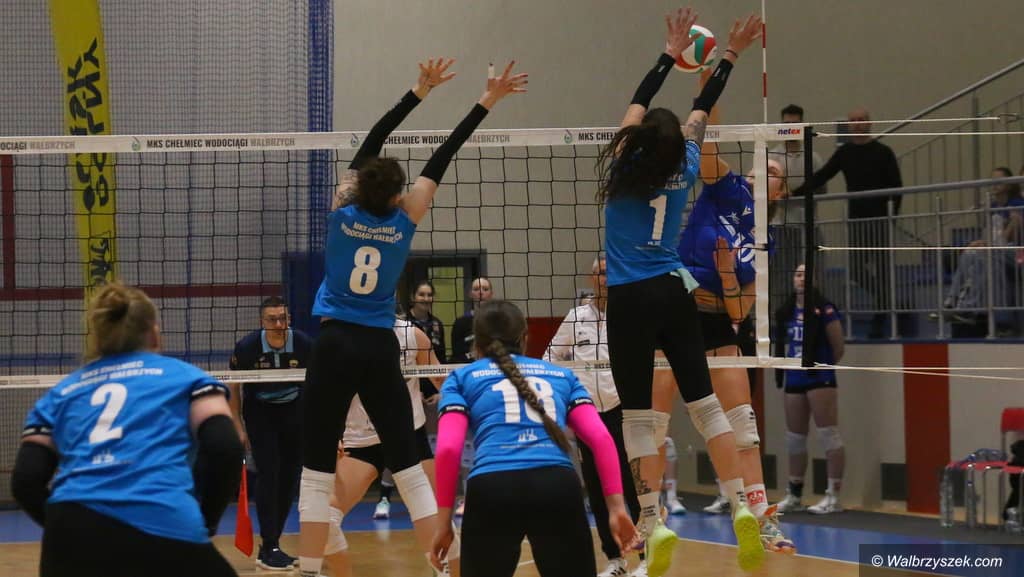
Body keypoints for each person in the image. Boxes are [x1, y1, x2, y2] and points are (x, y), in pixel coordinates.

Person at [298, 58, 527, 577]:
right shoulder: (407, 218)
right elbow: (445, 154)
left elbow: (374, 140)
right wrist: (487, 100)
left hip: (334, 343)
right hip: (379, 345)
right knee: (408, 466)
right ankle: (454, 567)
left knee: (315, 470)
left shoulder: (340, 212)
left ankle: (309, 569)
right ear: (398, 195)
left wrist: (417, 91)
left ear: (358, 186)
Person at [597, 8, 765, 574]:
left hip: (630, 299)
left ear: (640, 140)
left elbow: (639, 101)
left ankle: (652, 518)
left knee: (638, 415)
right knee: (706, 404)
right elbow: (701, 109)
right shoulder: (688, 163)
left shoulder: (622, 164)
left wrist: (669, 53)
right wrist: (731, 52)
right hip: (674, 291)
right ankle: (741, 505)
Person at [12, 282, 242, 577]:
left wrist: (72, 528)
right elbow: (225, 447)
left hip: (70, 532)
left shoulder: (61, 394)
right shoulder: (188, 379)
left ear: (99, 337)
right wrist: (207, 519)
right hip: (161, 519)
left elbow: (26, 480)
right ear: (154, 334)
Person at [673, 72, 795, 554]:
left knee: (742, 424)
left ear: (781, 193)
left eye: (773, 171)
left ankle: (760, 519)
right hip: (674, 309)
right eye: (758, 164)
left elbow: (742, 308)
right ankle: (646, 518)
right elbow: (705, 146)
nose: (761, 171)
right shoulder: (728, 191)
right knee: (653, 420)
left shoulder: (767, 240)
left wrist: (727, 275)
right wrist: (711, 85)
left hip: (719, 322)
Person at [430, 300, 635, 577]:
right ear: (524, 338)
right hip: (556, 487)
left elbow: (447, 450)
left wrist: (444, 521)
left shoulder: (460, 378)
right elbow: (601, 439)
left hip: (492, 489)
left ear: (476, 343)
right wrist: (617, 508)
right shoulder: (562, 375)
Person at [323, 317, 455, 577]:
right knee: (324, 516)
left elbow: (441, 379)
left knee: (440, 516)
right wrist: (332, 434)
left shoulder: (411, 334)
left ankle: (445, 572)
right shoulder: (340, 337)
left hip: (408, 436)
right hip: (362, 441)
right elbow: (329, 394)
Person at [545, 256, 646, 577]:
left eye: (609, 273)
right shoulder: (576, 318)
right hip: (587, 415)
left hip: (622, 410)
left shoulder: (629, 315)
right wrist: (564, 395)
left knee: (633, 486)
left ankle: (646, 558)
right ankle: (615, 559)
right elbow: (550, 357)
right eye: (600, 273)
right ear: (592, 279)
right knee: (599, 489)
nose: (605, 278)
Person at [793, 107, 903, 338]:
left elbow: (897, 187)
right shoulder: (845, 153)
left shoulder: (883, 152)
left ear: (869, 123)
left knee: (883, 270)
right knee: (856, 269)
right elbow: (823, 175)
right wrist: (794, 193)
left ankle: (882, 317)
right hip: (856, 221)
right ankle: (886, 301)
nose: (858, 124)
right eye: (853, 120)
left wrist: (892, 216)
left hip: (880, 221)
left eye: (862, 120)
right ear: (849, 125)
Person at [228, 296, 313, 570]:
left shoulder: (304, 344)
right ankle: (270, 544)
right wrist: (237, 424)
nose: (278, 324)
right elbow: (234, 387)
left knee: (289, 477)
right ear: (262, 322)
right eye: (272, 319)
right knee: (269, 473)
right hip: (260, 412)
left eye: (283, 318)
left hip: (294, 410)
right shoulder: (247, 347)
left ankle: (271, 545)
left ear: (289, 319)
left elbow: (317, 383)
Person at [773, 265, 846, 514]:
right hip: (794, 377)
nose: (801, 278)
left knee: (829, 434)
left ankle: (833, 496)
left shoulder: (824, 308)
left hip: (819, 377)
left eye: (806, 274)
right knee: (795, 438)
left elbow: (838, 346)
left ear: (815, 280)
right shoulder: (786, 310)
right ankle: (794, 494)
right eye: (797, 274)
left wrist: (823, 368)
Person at [940, 167, 1023, 337]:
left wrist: (1011, 224)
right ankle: (953, 301)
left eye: (999, 180)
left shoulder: (1017, 202)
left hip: (1018, 252)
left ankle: (970, 307)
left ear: (1009, 184)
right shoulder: (992, 206)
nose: (994, 184)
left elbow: (1009, 235)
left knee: (987, 255)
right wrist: (981, 242)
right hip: (1000, 251)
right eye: (992, 180)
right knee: (973, 253)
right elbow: (989, 235)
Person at [450, 277, 494, 363]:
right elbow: (456, 356)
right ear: (470, 294)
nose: (481, 292)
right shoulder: (460, 323)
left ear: (491, 294)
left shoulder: (499, 321)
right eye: (476, 289)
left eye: (485, 289)